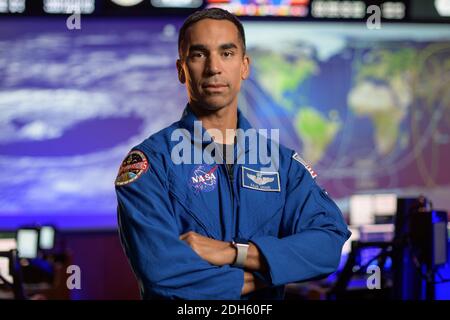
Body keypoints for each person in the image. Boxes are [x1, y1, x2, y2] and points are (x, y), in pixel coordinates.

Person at [115, 8, 351, 300]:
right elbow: (163, 275)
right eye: (199, 54)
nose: (214, 67)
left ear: (244, 66)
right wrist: (272, 272)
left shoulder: (283, 165)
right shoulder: (151, 164)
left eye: (226, 53)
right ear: (181, 69)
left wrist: (232, 252)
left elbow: (327, 245)